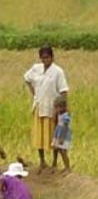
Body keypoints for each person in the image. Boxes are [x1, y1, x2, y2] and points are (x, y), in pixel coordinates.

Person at [23, 45, 69, 173]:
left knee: (54, 136)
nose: (45, 60)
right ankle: (42, 161)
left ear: (52, 57)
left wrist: (61, 109)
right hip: (39, 106)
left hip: (52, 108)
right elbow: (26, 78)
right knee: (39, 135)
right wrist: (34, 93)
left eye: (47, 57)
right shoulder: (36, 69)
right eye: (43, 58)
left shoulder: (58, 71)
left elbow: (64, 91)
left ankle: (54, 162)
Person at [50, 95, 72, 174]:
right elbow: (55, 122)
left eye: (59, 107)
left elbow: (65, 127)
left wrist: (61, 138)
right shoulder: (59, 114)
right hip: (58, 134)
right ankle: (56, 164)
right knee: (56, 149)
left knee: (63, 151)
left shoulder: (66, 116)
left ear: (64, 107)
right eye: (56, 108)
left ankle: (67, 167)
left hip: (63, 135)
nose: (57, 109)